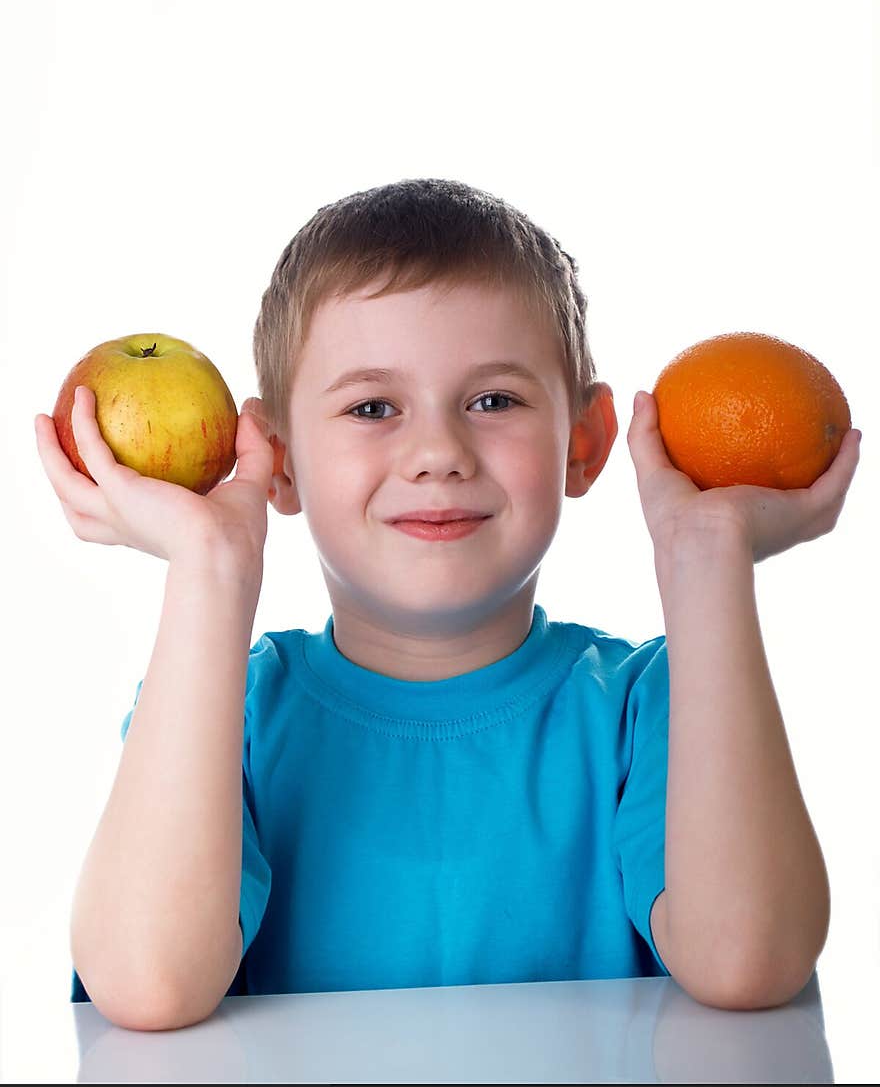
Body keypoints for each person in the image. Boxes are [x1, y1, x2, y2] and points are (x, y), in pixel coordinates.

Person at [35, 179, 861, 1032]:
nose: (437, 451)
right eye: (372, 407)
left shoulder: (655, 706)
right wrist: (210, 566)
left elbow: (749, 958)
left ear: (584, 443)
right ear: (276, 460)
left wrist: (708, 560)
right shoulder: (220, 706)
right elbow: (146, 985)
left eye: (493, 400)